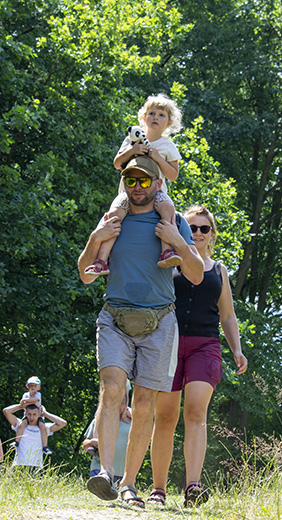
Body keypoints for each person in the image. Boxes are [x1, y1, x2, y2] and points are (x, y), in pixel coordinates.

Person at [77, 154, 204, 507]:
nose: (137, 187)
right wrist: (95, 236)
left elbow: (195, 274)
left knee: (144, 403)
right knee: (112, 387)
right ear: (125, 184)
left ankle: (130, 484)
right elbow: (86, 274)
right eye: (131, 181)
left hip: (159, 322)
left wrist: (177, 241)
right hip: (115, 318)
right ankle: (105, 473)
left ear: (157, 184)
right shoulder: (112, 220)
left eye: (145, 181)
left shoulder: (173, 220)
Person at [148, 205, 248, 508]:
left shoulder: (219, 270)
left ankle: (193, 486)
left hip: (205, 346)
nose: (198, 233)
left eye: (204, 228)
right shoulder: (169, 262)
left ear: (212, 234)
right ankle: (158, 490)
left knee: (195, 413)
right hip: (168, 343)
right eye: (192, 227)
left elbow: (228, 315)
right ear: (181, 229)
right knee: (165, 416)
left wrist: (237, 350)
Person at [84, 94, 184, 277]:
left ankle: (167, 250)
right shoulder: (132, 138)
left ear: (169, 123)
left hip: (156, 192)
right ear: (143, 118)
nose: (155, 117)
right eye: (151, 113)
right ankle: (101, 261)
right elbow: (117, 163)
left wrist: (158, 158)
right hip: (128, 192)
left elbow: (173, 175)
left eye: (161, 115)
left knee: (168, 209)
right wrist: (133, 150)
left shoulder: (167, 145)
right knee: (114, 216)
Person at [82, 385, 133, 483]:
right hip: (99, 470)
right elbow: (85, 445)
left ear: (126, 405)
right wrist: (93, 442)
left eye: (121, 403)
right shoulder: (98, 421)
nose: (118, 406)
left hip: (122, 474)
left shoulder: (131, 423)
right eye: (115, 402)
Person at [2, 403, 66, 470]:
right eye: (29, 414)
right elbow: (6, 411)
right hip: (19, 465)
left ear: (39, 414)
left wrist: (45, 413)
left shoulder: (44, 428)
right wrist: (21, 406)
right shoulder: (19, 425)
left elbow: (62, 423)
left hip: (36, 467)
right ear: (26, 414)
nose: (31, 417)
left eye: (34, 414)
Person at [12, 376, 51, 455]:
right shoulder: (26, 394)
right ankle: (17, 442)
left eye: (35, 386)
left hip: (38, 416)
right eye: (31, 386)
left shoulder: (38, 394)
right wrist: (29, 402)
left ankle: (45, 446)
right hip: (27, 415)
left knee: (43, 427)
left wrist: (25, 401)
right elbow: (23, 405)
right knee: (21, 425)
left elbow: (33, 400)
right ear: (27, 387)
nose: (33, 387)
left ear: (38, 388)